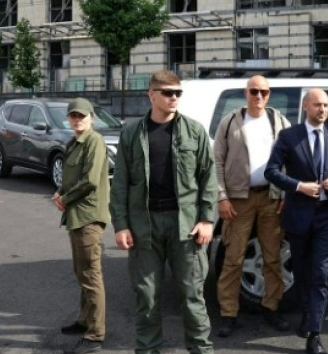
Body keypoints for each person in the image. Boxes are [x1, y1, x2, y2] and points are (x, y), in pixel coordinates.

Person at [109, 70, 217, 354]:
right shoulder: (132, 133)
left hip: (186, 224)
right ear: (151, 95)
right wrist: (121, 225)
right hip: (144, 225)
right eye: (168, 93)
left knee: (193, 295)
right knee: (146, 296)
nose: (174, 98)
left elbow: (208, 177)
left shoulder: (194, 131)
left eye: (178, 93)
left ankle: (201, 350)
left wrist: (207, 219)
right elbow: (120, 182)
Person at [265, 88, 328, 354]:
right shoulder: (289, 136)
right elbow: (271, 171)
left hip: (327, 213)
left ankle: (315, 334)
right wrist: (298, 186)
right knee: (302, 271)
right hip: (299, 213)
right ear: (306, 106)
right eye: (317, 105)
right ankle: (307, 313)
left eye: (325, 105)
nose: (322, 109)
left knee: (322, 272)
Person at [214, 76, 291, 337]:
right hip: (239, 200)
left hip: (271, 197)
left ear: (269, 95)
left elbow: (290, 160)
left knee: (272, 257)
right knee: (233, 259)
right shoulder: (230, 122)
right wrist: (222, 197)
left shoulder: (279, 121)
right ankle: (228, 314)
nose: (259, 96)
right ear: (245, 93)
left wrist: (286, 194)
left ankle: (271, 308)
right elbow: (217, 161)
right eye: (254, 91)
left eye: (264, 92)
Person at [52, 97, 110, 354]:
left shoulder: (94, 141)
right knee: (81, 272)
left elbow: (90, 181)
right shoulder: (74, 143)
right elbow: (71, 177)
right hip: (77, 216)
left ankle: (95, 334)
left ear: (91, 118)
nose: (77, 119)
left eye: (81, 116)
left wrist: (65, 198)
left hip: (88, 217)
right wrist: (59, 191)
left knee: (90, 275)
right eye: (73, 115)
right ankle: (84, 320)